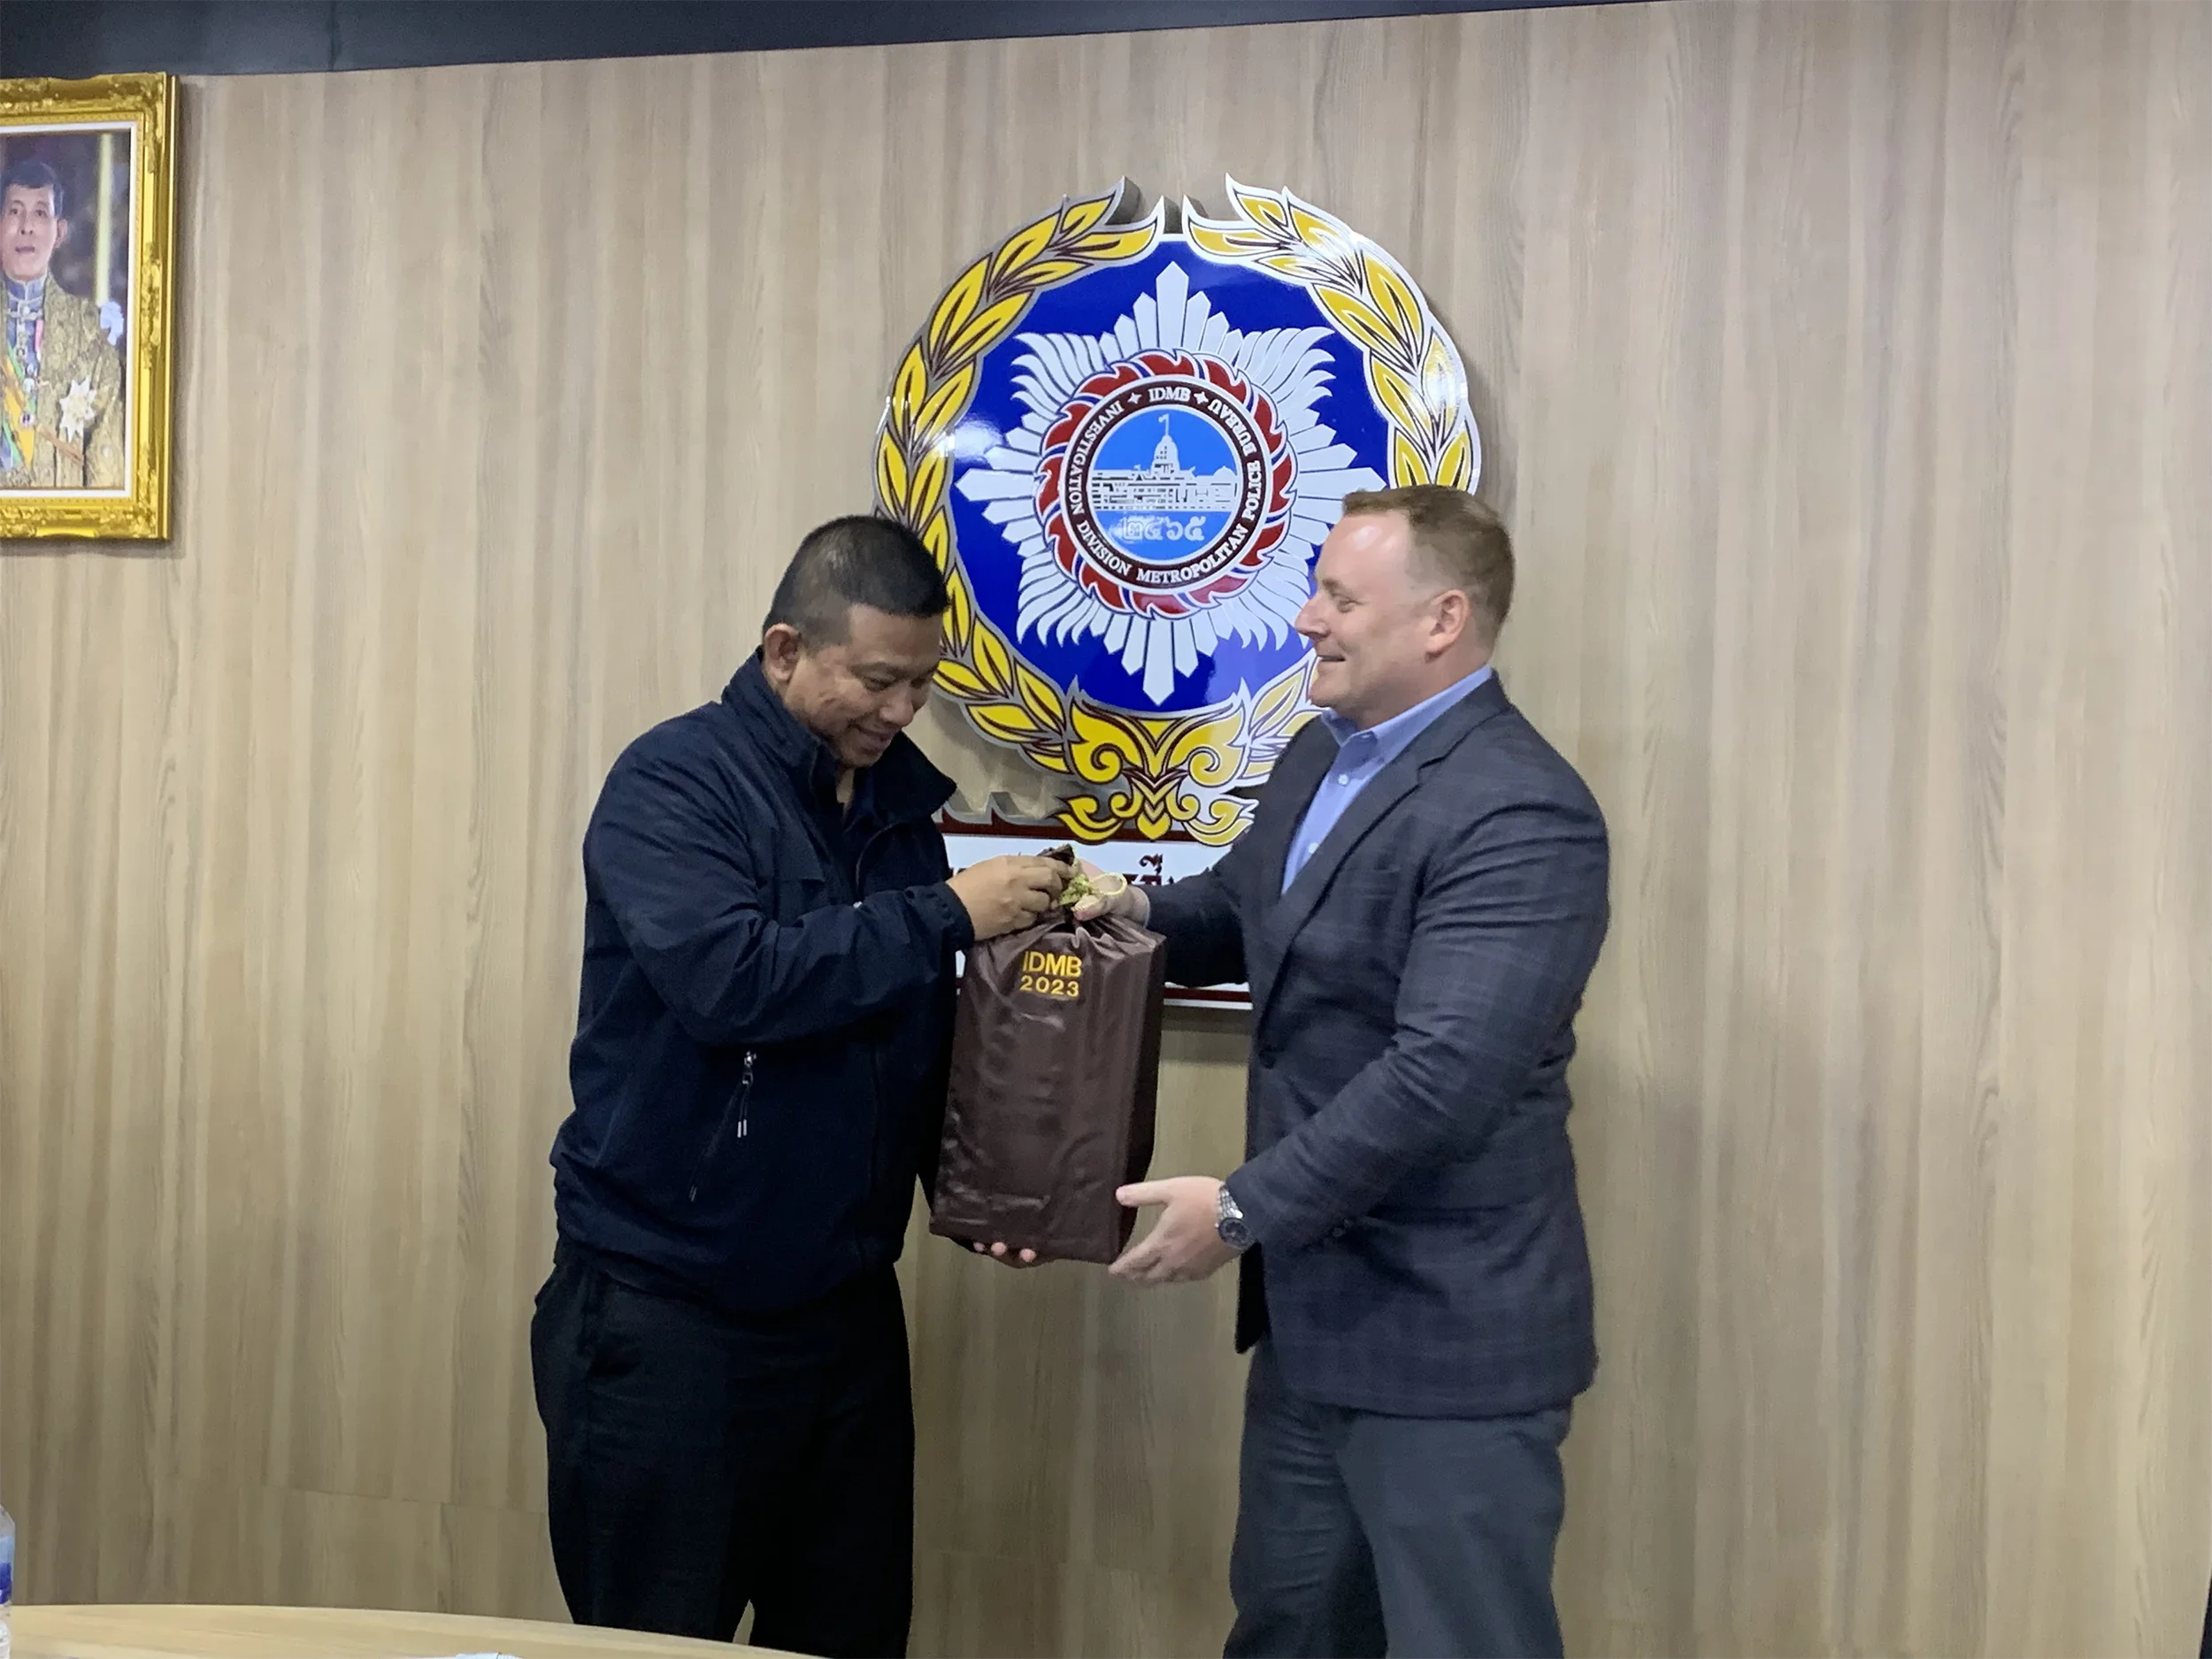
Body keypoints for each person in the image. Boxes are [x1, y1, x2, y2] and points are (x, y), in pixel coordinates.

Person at [1068, 485, 1610, 1659]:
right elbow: (1245, 910)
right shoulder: (1322, 754)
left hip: (1447, 1340)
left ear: (1441, 620)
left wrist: (1240, 1206)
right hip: (1316, 1325)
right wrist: (1123, 909)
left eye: (1337, 595)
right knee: (1288, 1627)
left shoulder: (1521, 809)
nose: (1306, 618)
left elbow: (1442, 1075)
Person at [530, 515, 1067, 1659]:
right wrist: (949, 912)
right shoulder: (674, 781)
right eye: (877, 679)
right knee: (656, 1644)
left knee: (852, 1630)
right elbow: (732, 982)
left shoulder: (894, 812)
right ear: (784, 651)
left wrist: (979, 1189)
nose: (901, 710)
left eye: (922, 683)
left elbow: (912, 1029)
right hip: (670, 1314)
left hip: (845, 1313)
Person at [0, 158, 124, 490]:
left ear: (60, 232)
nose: (25, 226)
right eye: (14, 212)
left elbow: (107, 471)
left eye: (40, 213)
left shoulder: (90, 335)